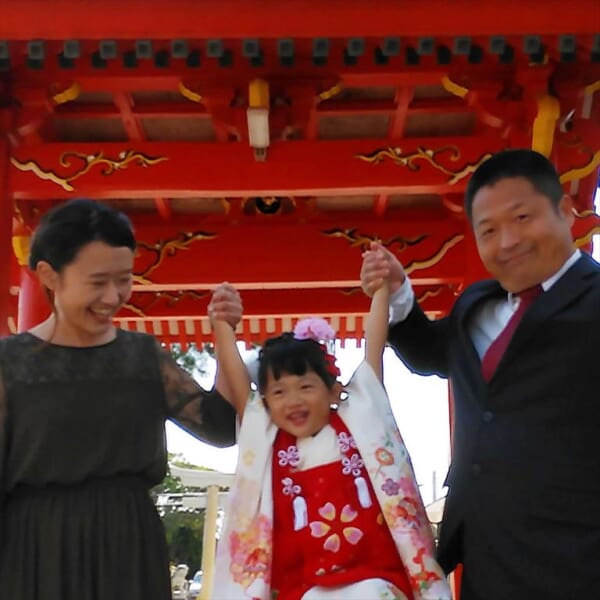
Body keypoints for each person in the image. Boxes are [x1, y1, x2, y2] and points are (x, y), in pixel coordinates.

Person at [360, 149, 600, 600]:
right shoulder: (477, 304)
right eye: (488, 230)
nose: (507, 241)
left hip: (578, 557)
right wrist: (397, 292)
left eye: (522, 218)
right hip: (485, 552)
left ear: (566, 212)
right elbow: (431, 355)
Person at [0, 199, 241, 600]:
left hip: (129, 545)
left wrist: (224, 333)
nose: (113, 296)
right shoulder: (9, 363)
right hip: (36, 550)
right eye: (98, 282)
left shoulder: (143, 357)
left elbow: (221, 427)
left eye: (124, 279)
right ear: (49, 275)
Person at [208, 281, 452, 600]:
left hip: (373, 575)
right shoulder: (267, 440)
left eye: (306, 387)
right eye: (279, 392)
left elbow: (373, 351)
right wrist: (223, 324)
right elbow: (240, 385)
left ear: (335, 391)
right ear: (265, 403)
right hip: (303, 585)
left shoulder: (360, 423)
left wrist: (380, 291)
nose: (293, 400)